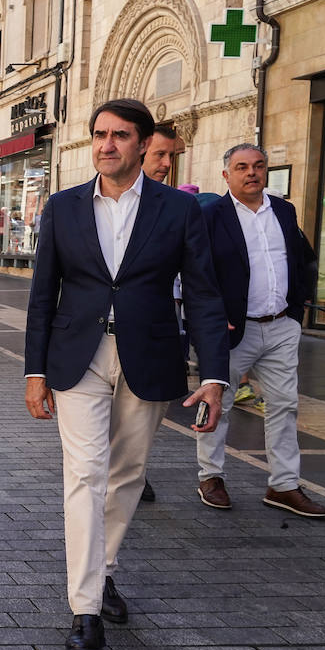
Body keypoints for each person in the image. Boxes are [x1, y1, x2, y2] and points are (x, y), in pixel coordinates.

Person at [24, 98, 228, 650]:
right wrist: (35, 371)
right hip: (78, 356)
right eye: (98, 134)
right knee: (84, 474)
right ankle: (84, 608)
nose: (105, 144)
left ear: (143, 145)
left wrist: (215, 375)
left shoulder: (179, 211)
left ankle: (104, 564)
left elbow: (205, 296)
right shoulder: (63, 208)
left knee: (128, 473)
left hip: (149, 352)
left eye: (118, 135)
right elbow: (42, 295)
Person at [195, 144, 325, 516]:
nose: (251, 173)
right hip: (234, 329)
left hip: (281, 325)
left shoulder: (283, 210)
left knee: (285, 405)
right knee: (219, 402)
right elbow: (197, 274)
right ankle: (211, 476)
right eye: (241, 167)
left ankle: (283, 485)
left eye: (258, 166)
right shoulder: (212, 216)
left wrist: (297, 307)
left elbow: (302, 260)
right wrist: (214, 315)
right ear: (226, 175)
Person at [133, 124, 183, 504]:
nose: (167, 164)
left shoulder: (177, 208)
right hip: (90, 339)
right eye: (160, 155)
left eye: (172, 156)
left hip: (152, 334)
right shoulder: (79, 203)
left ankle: (136, 472)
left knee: (137, 432)